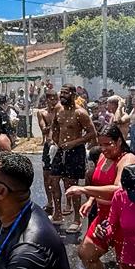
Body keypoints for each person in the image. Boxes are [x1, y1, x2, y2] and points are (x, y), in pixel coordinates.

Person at [65, 124, 135, 269]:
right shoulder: (102, 156)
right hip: (104, 215)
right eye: (101, 144)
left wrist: (84, 189)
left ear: (119, 141)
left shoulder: (128, 159)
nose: (104, 149)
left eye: (108, 144)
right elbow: (99, 181)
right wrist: (91, 200)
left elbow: (118, 190)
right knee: (86, 254)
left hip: (124, 218)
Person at [47, 85, 97, 232]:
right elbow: (54, 126)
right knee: (53, 181)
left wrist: (73, 143)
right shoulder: (58, 109)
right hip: (60, 149)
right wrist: (54, 140)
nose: (62, 95)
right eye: (61, 93)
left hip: (75, 151)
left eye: (65, 93)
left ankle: (77, 219)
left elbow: (92, 133)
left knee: (71, 185)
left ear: (73, 95)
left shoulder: (80, 113)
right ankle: (57, 214)